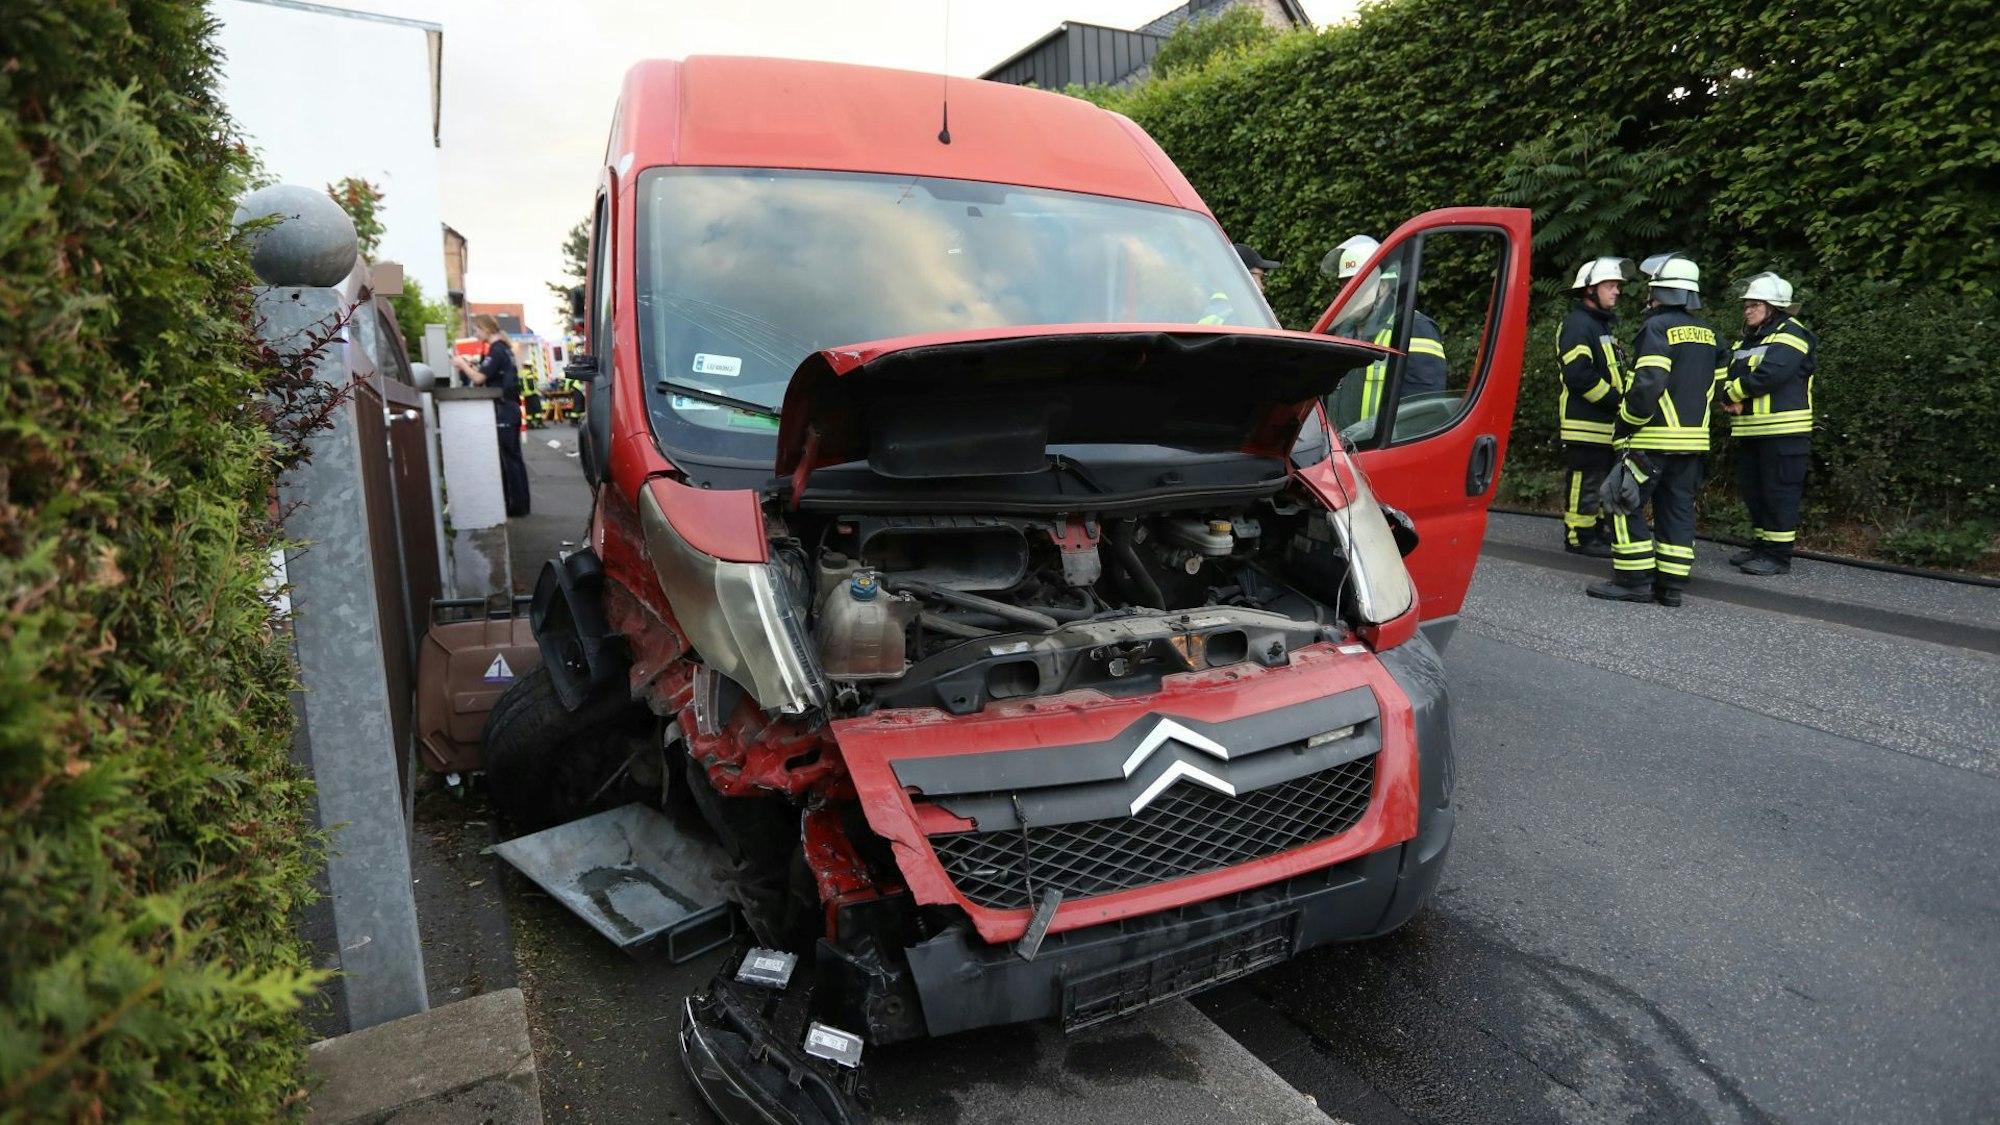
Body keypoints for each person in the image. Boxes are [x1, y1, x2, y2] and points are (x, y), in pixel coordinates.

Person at [1586, 252, 1717, 608]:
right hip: (1693, 443)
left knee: (1620, 499)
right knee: (1677, 509)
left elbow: (1649, 382)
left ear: (1658, 291)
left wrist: (1627, 421)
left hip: (1652, 440)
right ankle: (1670, 586)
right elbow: (1715, 384)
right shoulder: (1709, 334)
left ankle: (1633, 580)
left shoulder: (1657, 328)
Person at [1717, 272, 1817, 575]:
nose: (1747, 309)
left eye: (1754, 304)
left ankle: (1778, 556)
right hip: (1753, 432)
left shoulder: (1792, 334)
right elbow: (1727, 370)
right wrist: (1725, 394)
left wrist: (1731, 393)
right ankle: (1761, 547)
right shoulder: (1751, 338)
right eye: (1746, 305)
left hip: (1783, 433)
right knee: (1756, 492)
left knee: (1779, 493)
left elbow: (1770, 375)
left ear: (1774, 306)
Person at [1322, 234, 1447, 425]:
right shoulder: (1338, 334)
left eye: (1357, 284)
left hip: (1381, 453)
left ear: (1383, 286)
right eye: (1344, 284)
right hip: (1339, 453)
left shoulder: (1413, 329)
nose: (1347, 294)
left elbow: (1423, 417)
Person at [1555, 257, 1633, 557]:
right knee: (1584, 480)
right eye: (1610, 286)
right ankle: (1578, 535)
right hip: (1584, 421)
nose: (1617, 292)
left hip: (1603, 423)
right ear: (1589, 289)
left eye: (1616, 286)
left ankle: (1594, 531)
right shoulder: (1578, 325)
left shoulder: (1598, 326)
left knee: (1597, 481)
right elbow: (1578, 374)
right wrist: (1617, 402)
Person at [455, 313, 531, 518]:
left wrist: (462, 364)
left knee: (509, 459)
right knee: (513, 458)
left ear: (486, 329)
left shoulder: (497, 351)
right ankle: (520, 504)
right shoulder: (503, 350)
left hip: (504, 408)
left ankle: (515, 506)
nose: (475, 334)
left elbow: (479, 378)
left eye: (477, 330)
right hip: (510, 407)